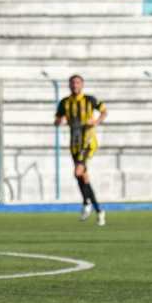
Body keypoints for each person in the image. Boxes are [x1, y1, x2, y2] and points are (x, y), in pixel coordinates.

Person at [54, 75, 107, 226]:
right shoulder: (65, 102)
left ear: (82, 85)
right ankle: (99, 211)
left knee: (77, 171)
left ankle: (86, 203)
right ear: (69, 85)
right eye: (72, 83)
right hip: (75, 143)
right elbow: (57, 121)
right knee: (83, 177)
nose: (75, 85)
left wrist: (96, 121)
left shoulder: (90, 99)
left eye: (77, 83)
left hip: (88, 142)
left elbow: (104, 112)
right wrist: (59, 121)